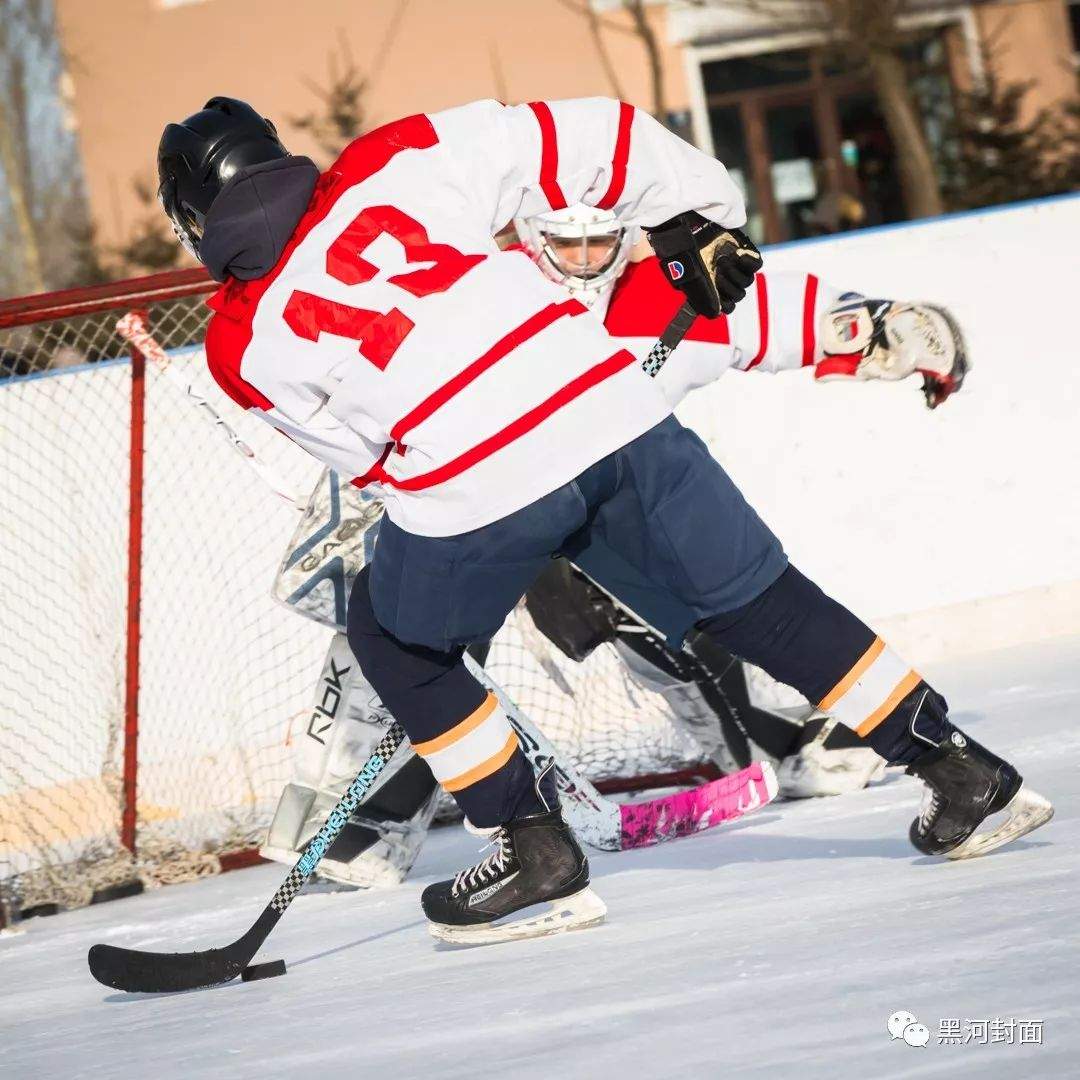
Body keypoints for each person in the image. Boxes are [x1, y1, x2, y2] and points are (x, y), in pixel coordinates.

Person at [158, 95, 1052, 945]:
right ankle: (962, 770)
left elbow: (366, 461)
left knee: (393, 638)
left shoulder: (240, 341)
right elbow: (602, 133)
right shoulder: (392, 160)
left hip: (472, 482)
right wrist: (706, 217)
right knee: (759, 601)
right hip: (604, 406)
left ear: (195, 218)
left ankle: (533, 851)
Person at [260, 200, 973, 890]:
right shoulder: (484, 294)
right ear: (528, 237)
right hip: (485, 520)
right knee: (398, 637)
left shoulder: (661, 300)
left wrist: (883, 326)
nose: (581, 262)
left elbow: (778, 312)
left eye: (598, 244)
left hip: (610, 530)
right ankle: (373, 823)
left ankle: (771, 741)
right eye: (564, 245)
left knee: (697, 613)